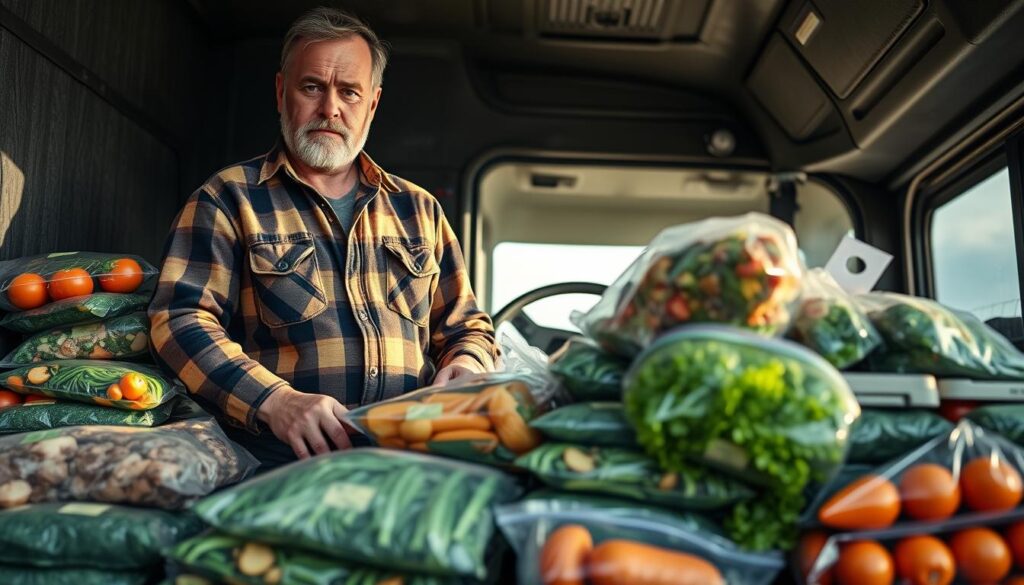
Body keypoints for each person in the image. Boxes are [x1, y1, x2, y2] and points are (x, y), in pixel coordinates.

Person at [148, 7, 498, 468]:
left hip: (411, 458)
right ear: (281, 92)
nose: (330, 107)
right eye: (312, 86)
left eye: (348, 92)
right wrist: (275, 401)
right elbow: (179, 320)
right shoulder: (227, 199)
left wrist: (467, 365)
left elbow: (467, 327)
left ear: (371, 104)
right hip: (281, 463)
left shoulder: (419, 210)